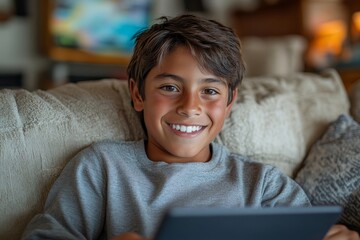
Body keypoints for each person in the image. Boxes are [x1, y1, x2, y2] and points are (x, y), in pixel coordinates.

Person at [22, 14, 359, 240]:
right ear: (138, 94)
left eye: (210, 91)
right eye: (169, 87)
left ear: (229, 104)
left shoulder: (262, 185)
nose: (190, 107)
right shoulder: (102, 167)